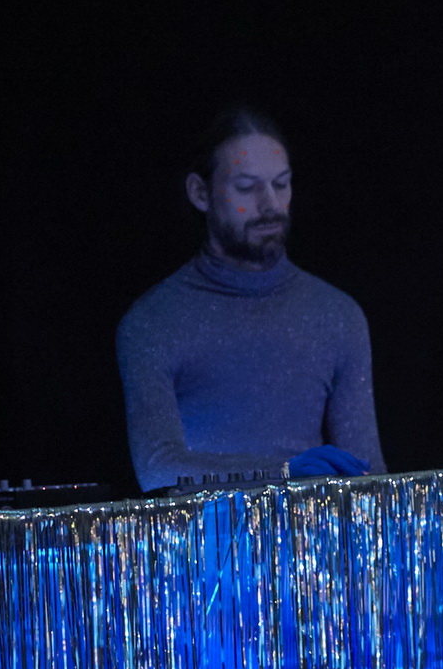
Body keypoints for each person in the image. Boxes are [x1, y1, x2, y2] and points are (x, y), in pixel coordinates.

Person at [118, 108, 384, 492]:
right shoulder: (153, 321)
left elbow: (370, 476)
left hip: (313, 529)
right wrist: (285, 471)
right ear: (200, 193)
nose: (270, 204)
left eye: (281, 184)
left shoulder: (337, 314)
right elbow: (157, 466)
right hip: (208, 531)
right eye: (247, 187)